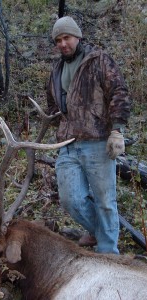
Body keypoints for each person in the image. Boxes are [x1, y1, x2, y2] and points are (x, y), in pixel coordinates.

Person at [47, 16, 130, 254]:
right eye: (59, 40)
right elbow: (53, 103)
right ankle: (100, 231)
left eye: (67, 38)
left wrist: (116, 130)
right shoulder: (57, 68)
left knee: (105, 202)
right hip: (68, 144)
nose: (63, 44)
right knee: (70, 199)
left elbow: (119, 92)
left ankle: (108, 254)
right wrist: (59, 122)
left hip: (97, 141)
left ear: (78, 37)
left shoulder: (98, 60)